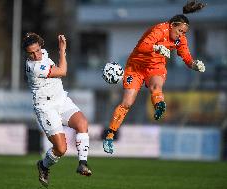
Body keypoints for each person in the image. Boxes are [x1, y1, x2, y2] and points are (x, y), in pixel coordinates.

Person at [103, 0, 206, 154]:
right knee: (127, 103)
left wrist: (193, 64)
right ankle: (110, 135)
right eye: (180, 31)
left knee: (156, 87)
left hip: (155, 67)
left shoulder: (180, 39)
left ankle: (159, 106)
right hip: (135, 68)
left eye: (184, 33)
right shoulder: (159, 30)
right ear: (172, 26)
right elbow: (142, 46)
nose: (181, 35)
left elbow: (185, 56)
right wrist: (157, 47)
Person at [22, 33, 92, 187]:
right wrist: (62, 50)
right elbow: (63, 71)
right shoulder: (34, 67)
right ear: (27, 54)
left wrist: (33, 36)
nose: (36, 55)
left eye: (37, 50)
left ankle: (83, 163)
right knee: (60, 149)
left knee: (82, 123)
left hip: (61, 100)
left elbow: (38, 41)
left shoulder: (43, 53)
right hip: (46, 107)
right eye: (31, 53)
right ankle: (43, 166)